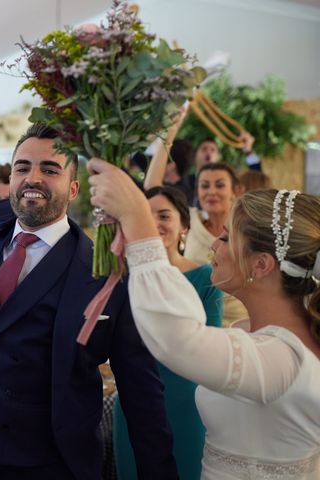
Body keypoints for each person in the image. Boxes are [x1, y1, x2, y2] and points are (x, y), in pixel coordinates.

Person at [0, 57, 177, 480]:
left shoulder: (107, 272)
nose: (32, 178)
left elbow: (141, 395)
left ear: (74, 188)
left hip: (55, 464)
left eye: (49, 169)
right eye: (23, 167)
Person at [87, 158, 320, 480]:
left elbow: (176, 338)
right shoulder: (268, 336)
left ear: (261, 265)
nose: (214, 244)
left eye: (226, 237)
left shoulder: (283, 358)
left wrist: (137, 218)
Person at [112, 185, 222, 480]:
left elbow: (210, 343)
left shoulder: (206, 279)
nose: (154, 223)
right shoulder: (122, 278)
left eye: (164, 215)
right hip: (133, 401)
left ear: (184, 226)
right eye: (145, 215)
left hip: (186, 402)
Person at [183, 163, 248, 325]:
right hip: (194, 317)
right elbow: (153, 188)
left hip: (238, 320)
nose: (211, 192)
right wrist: (167, 138)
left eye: (220, 185)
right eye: (204, 186)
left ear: (235, 191)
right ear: (197, 191)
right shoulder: (189, 219)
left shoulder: (246, 228)